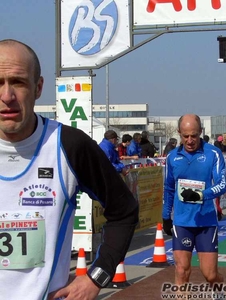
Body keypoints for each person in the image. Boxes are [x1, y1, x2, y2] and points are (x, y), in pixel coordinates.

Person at [0, 39, 139, 299]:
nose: (7, 96)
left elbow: (124, 211)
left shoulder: (69, 145)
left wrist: (96, 277)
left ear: (38, 87)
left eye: (18, 82)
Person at [162, 114, 226, 295]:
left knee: (210, 275)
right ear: (179, 134)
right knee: (181, 270)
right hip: (182, 222)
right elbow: (168, 188)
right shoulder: (172, 157)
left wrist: (200, 194)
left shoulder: (213, 153)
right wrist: (166, 216)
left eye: (194, 135)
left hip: (206, 221)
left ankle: (220, 292)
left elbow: (222, 185)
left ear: (200, 133)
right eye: (185, 136)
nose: (190, 140)